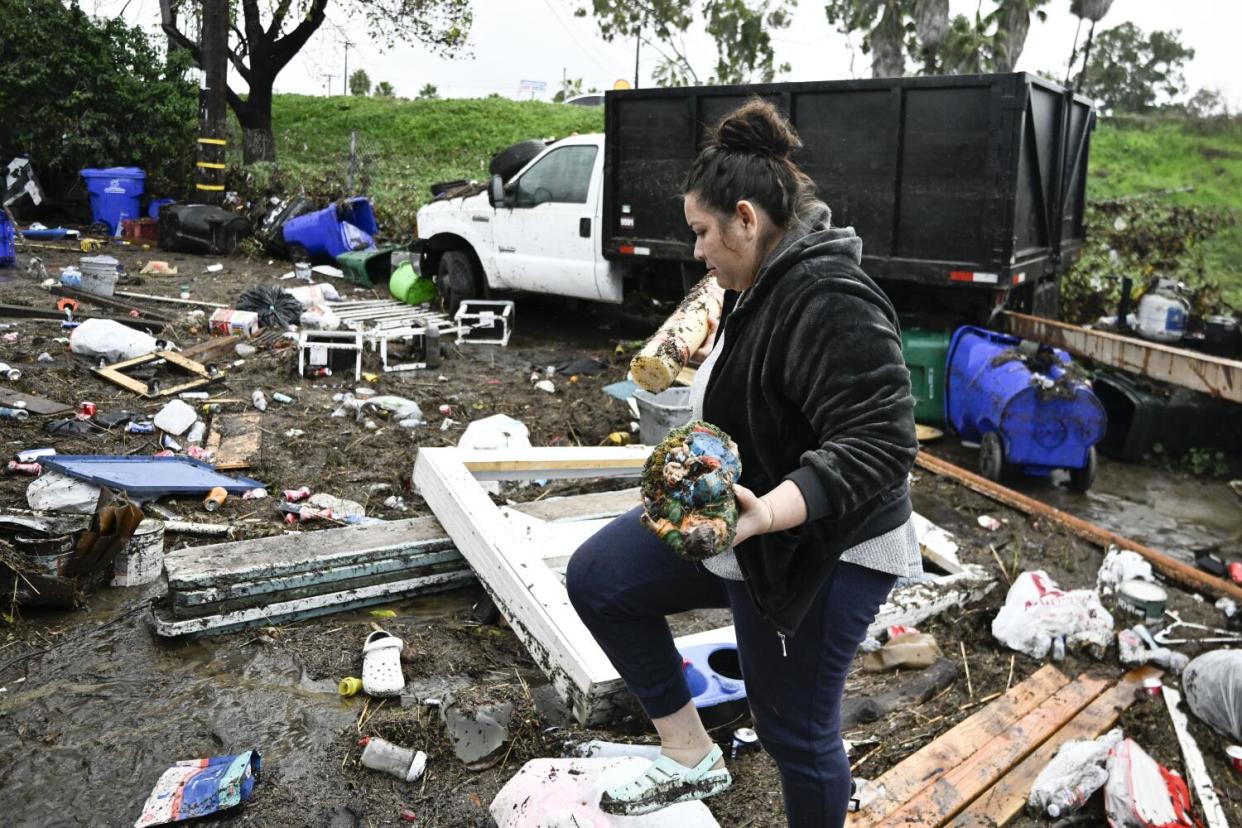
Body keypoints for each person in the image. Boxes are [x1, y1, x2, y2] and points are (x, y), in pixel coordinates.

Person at [565, 98, 920, 826]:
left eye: (701, 232)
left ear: (748, 220)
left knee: (796, 731)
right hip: (744, 523)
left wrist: (773, 510)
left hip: (825, 545)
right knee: (601, 578)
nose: (696, 251)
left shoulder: (830, 295)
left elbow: (883, 442)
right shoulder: (754, 280)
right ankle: (690, 753)